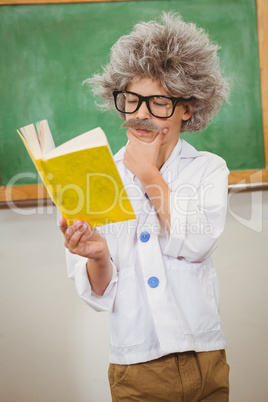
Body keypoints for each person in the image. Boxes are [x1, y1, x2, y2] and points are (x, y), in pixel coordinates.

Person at [60, 12, 230, 402]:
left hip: (206, 354)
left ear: (188, 108)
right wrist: (98, 255)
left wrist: (149, 175)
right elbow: (98, 295)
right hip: (137, 364)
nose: (141, 115)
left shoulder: (208, 169)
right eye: (132, 101)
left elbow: (198, 242)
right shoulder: (92, 177)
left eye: (158, 103)